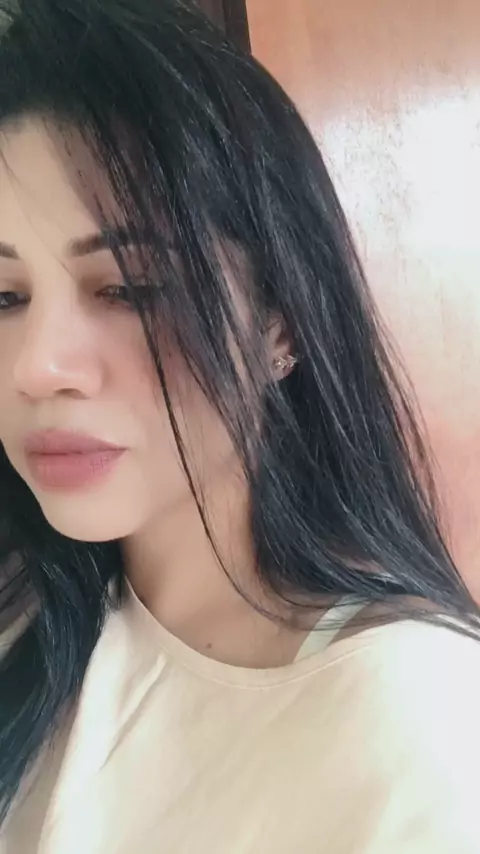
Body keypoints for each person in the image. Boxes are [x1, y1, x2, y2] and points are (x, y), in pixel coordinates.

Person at [0, 0, 479, 851]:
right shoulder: (32, 610)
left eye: (129, 289)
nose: (38, 367)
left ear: (280, 323)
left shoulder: (416, 727)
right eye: (4, 296)